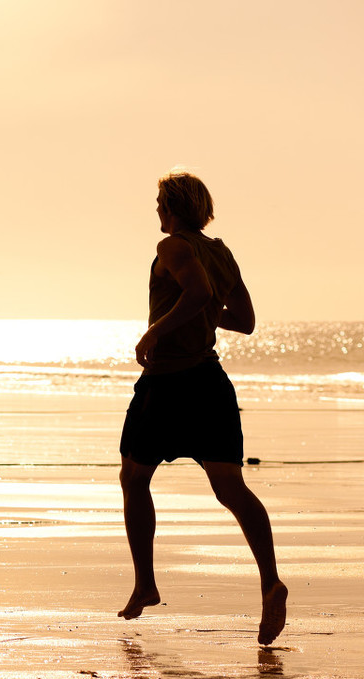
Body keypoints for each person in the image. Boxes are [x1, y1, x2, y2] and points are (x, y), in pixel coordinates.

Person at [118, 171, 287, 645]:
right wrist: (207, 314)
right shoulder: (222, 251)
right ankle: (270, 581)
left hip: (167, 386)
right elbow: (245, 321)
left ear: (172, 208)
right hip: (210, 384)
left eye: (159, 203)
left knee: (133, 478)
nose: (156, 211)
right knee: (230, 488)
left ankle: (146, 584)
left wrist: (154, 331)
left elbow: (198, 294)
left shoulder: (172, 247)